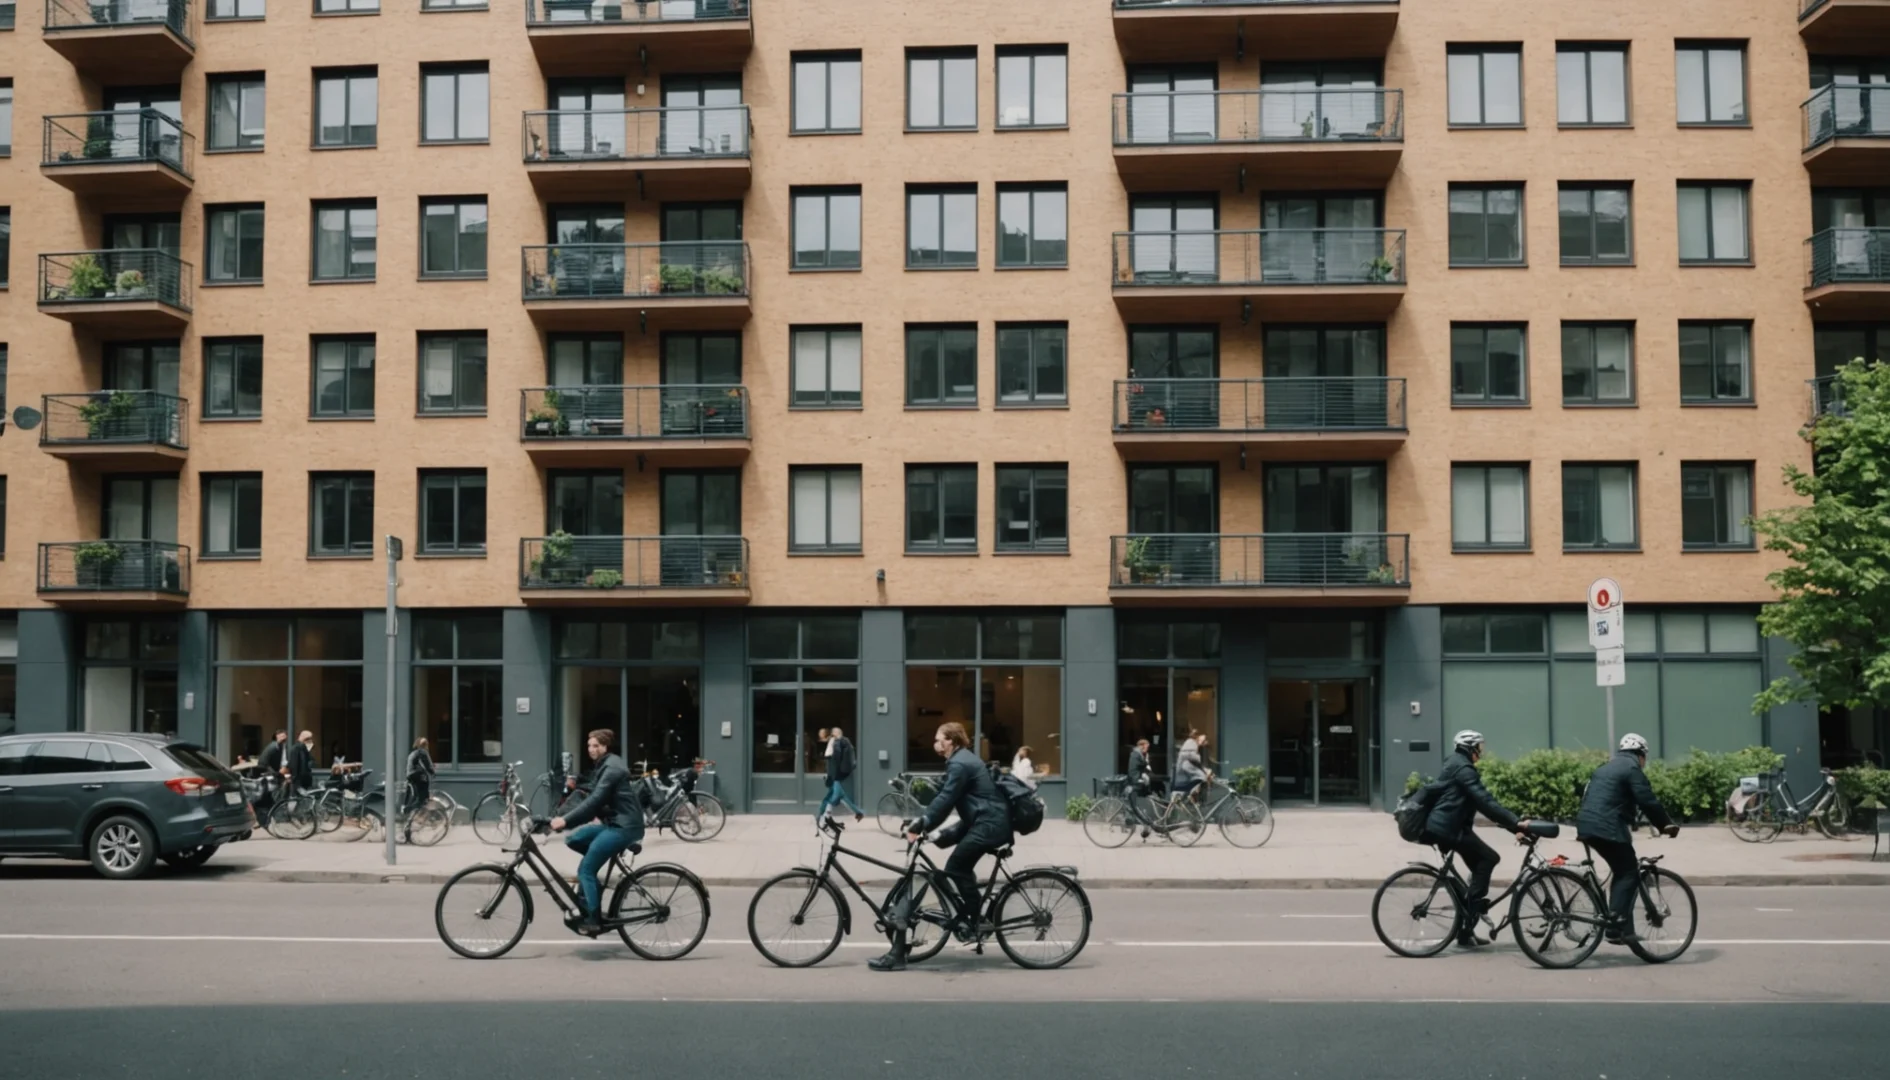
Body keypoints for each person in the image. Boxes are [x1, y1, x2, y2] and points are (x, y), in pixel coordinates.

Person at [871, 722, 1014, 972]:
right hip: (982, 820)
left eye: (939, 739)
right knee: (958, 864)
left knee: (955, 867)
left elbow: (946, 800)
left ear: (952, 741)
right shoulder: (961, 761)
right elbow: (956, 802)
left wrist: (923, 822)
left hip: (988, 824)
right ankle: (973, 916)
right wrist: (936, 833)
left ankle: (974, 919)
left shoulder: (959, 764)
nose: (935, 744)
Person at [1421, 730, 1534, 948]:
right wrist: (1516, 822)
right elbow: (1485, 802)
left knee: (1479, 865)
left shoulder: (1454, 763)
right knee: (1488, 859)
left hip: (1449, 828)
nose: (1480, 752)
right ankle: (1472, 912)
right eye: (1479, 747)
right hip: (1449, 830)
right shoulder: (1464, 769)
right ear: (1469, 747)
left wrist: (1513, 828)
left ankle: (1466, 924)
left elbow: (1482, 805)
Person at [1576, 733, 1680, 945]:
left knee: (1621, 871)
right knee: (1629, 871)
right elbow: (1647, 800)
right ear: (1640, 754)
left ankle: (1621, 929)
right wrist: (1665, 825)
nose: (1644, 762)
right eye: (1645, 757)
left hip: (1586, 824)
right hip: (1608, 828)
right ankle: (1616, 927)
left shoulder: (1604, 768)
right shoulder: (1632, 769)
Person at [550, 729, 646, 935]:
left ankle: (592, 919)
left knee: (585, 870)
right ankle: (593, 884)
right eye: (589, 746)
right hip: (614, 823)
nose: (591, 750)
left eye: (596, 746)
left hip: (624, 827)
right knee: (574, 839)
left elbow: (595, 801)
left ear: (605, 747)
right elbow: (590, 796)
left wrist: (564, 820)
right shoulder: (603, 765)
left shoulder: (612, 768)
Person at [815, 725, 864, 823]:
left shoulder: (836, 743)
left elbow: (834, 760)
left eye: (833, 732)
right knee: (842, 795)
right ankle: (858, 812)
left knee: (831, 798)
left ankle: (822, 817)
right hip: (840, 774)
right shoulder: (845, 742)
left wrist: (831, 775)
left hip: (836, 775)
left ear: (835, 734)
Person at [404, 737, 437, 843]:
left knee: (416, 798)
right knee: (422, 799)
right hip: (418, 776)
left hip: (411, 776)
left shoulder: (413, 753)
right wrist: (432, 772)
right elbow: (427, 765)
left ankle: (411, 812)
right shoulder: (422, 752)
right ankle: (413, 812)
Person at [1173, 729, 1211, 802]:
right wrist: (1205, 770)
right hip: (1186, 765)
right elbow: (1193, 758)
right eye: (1203, 741)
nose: (1203, 743)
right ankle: (1192, 793)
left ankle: (1176, 799)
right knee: (1201, 777)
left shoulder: (1191, 742)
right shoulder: (1192, 742)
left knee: (1184, 785)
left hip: (1183, 766)